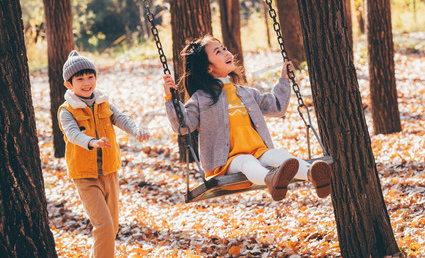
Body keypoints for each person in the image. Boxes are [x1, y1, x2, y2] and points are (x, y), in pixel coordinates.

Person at [163, 35, 331, 201]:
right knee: (247, 161)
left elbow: (277, 107)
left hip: (259, 152)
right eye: (218, 52)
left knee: (279, 154)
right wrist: (170, 99)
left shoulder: (247, 93)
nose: (226, 52)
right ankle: (271, 180)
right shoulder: (201, 98)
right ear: (209, 68)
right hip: (226, 162)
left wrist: (284, 81)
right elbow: (183, 125)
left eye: (224, 49)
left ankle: (313, 174)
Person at [58, 50, 149, 258]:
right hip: (85, 175)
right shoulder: (67, 110)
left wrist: (137, 130)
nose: (86, 82)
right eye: (80, 79)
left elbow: (121, 118)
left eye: (90, 77)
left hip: (109, 171)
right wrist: (91, 142)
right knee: (104, 226)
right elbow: (72, 134)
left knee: (112, 227)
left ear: (96, 78)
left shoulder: (103, 102)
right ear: (69, 84)